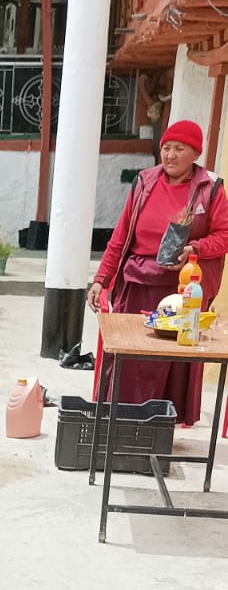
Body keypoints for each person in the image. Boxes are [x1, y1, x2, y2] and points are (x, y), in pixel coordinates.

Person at [87, 119, 228, 425]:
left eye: (179, 149)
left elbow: (224, 235)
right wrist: (101, 279)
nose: (170, 155)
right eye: (166, 148)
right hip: (137, 282)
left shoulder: (210, 188)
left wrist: (195, 248)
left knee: (167, 361)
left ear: (196, 153)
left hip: (182, 292)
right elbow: (121, 236)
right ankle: (121, 422)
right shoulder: (144, 182)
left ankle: (159, 426)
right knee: (129, 356)